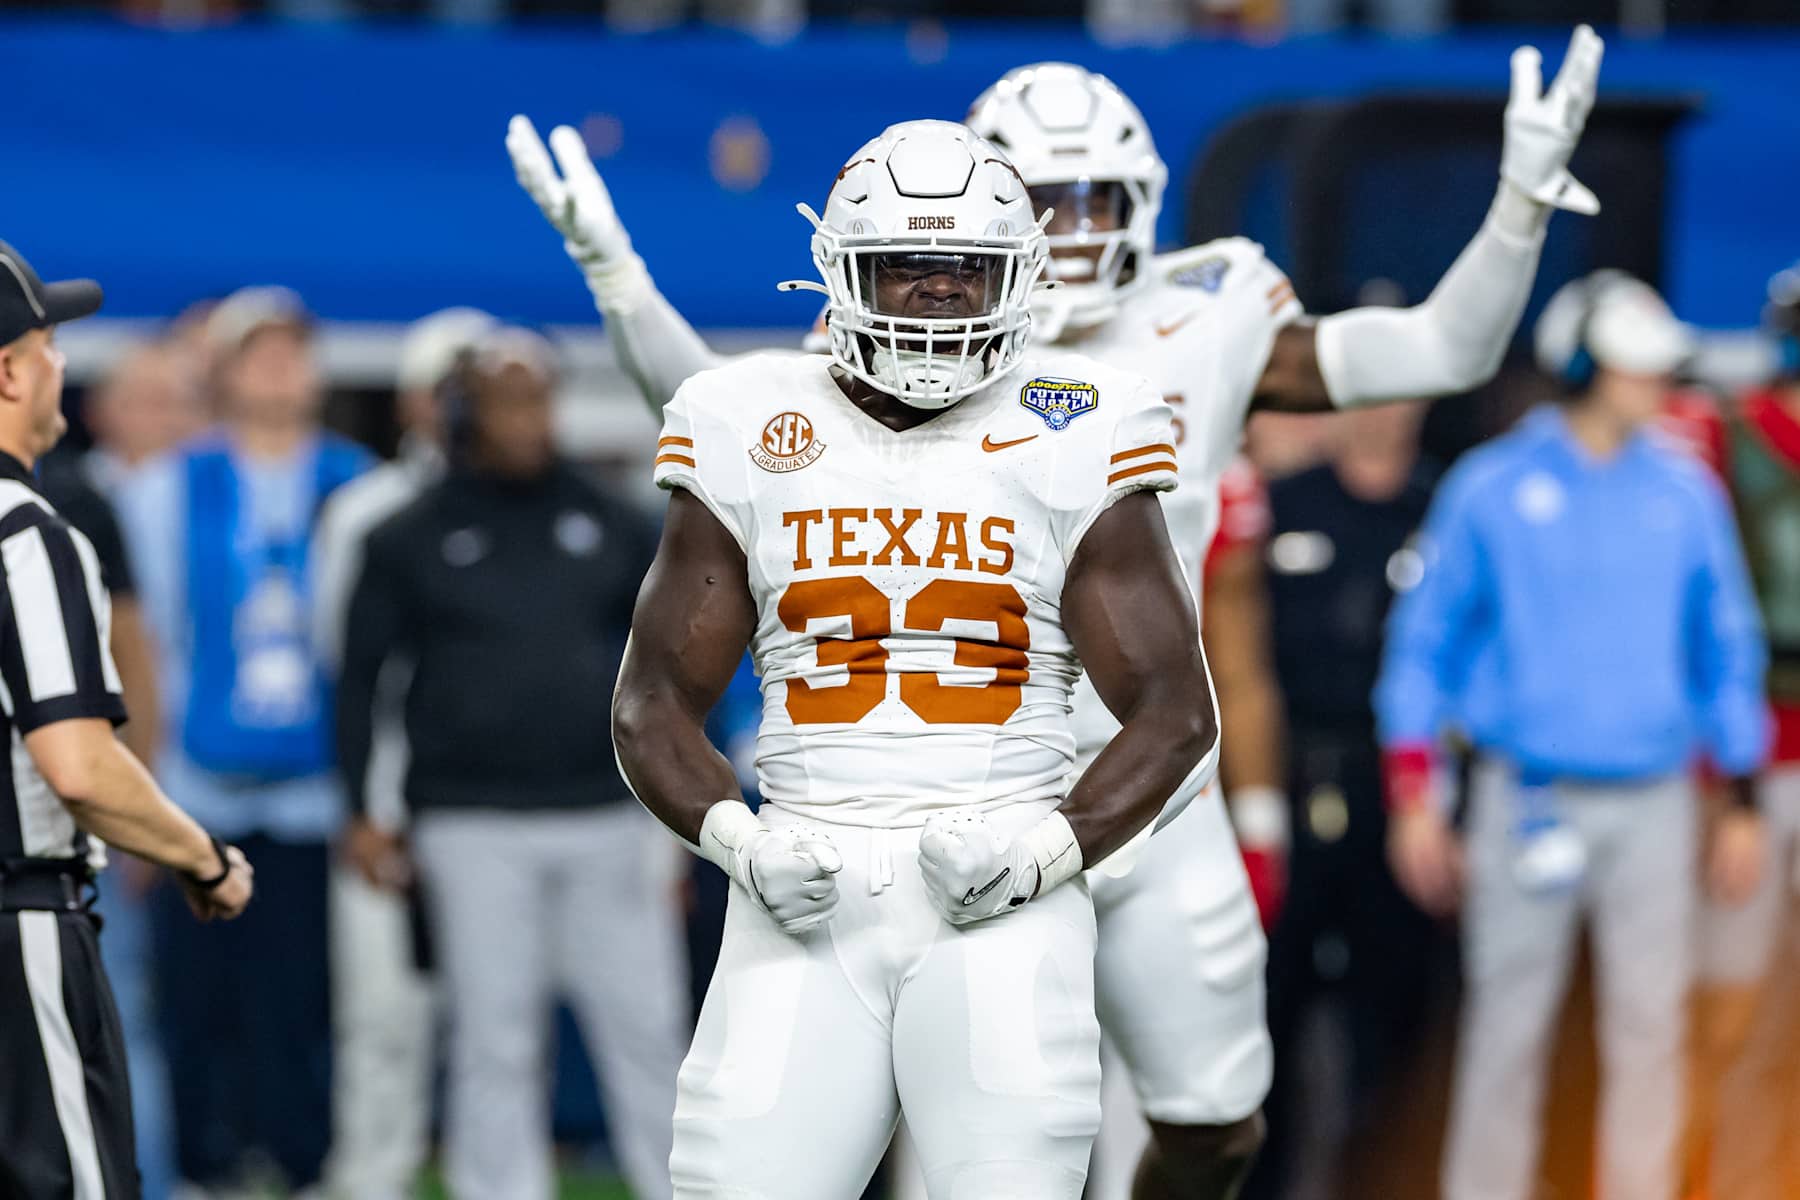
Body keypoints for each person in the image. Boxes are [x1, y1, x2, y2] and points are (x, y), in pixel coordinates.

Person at [512, 25, 1603, 1197]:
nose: (1078, 226)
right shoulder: (860, 349)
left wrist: (1522, 199)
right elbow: (744, 444)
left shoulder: (1189, 328)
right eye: (1050, 195)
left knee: (1210, 1116)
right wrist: (618, 279)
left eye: (1099, 197)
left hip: (1144, 784)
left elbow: (1441, 346)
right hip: (913, 781)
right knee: (911, 1127)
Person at [612, 118, 1222, 1199]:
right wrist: (740, 844)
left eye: (967, 271)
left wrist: (1045, 851)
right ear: (840, 274)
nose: (939, 298)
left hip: (1003, 897)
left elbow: (1177, 710)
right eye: (908, 270)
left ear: (1022, 277)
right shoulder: (743, 415)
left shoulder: (1079, 417)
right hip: (803, 884)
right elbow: (652, 701)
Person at [1375, 270, 1769, 1200]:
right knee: (1506, 1030)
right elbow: (1423, 645)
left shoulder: (1684, 490)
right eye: (1638, 368)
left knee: (1650, 1029)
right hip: (1526, 796)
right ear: (1585, 364)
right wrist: (1414, 794)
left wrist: (1742, 795)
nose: (1658, 385)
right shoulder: (1492, 485)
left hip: (1656, 800)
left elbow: (1727, 645)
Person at [337, 327, 686, 1200]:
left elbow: (675, 669)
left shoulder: (612, 520)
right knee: (496, 1035)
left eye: (539, 398)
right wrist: (361, 810)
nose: (529, 421)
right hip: (470, 818)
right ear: (462, 410)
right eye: (507, 400)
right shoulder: (405, 534)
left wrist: (681, 818)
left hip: (605, 814)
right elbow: (357, 682)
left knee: (647, 1025)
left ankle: (684, 1187)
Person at [0, 237, 253, 1199]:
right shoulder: (26, 533)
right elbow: (77, 764)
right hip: (17, 925)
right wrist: (202, 855)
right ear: (8, 371)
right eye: (49, 344)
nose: (67, 365)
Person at [116, 286, 372, 1195]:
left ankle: (300, 1165)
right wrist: (143, 791)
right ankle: (203, 1168)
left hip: (313, 795)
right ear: (222, 372)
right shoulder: (166, 484)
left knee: (299, 996)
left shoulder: (355, 483)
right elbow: (144, 648)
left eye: (291, 352)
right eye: (257, 354)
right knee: (195, 1000)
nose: (276, 370)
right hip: (198, 788)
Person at [312, 307, 494, 1200]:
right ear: (415, 401)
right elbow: (343, 671)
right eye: (447, 386)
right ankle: (371, 1182)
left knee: (500, 1025)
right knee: (383, 1017)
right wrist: (363, 807)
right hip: (394, 799)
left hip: (510, 806)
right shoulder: (366, 513)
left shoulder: (551, 504)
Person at [1244, 400, 1444, 1200]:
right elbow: (1236, 654)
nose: (1390, 408)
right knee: (1264, 1013)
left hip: (1399, 790)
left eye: (1408, 388)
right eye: (1376, 385)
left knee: (1396, 1020)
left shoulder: (1439, 508)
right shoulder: (1283, 503)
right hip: (1287, 775)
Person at [1683, 260, 1800, 1200]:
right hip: (1752, 756)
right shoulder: (1724, 439)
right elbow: (1701, 617)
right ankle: (1703, 1172)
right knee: (1727, 992)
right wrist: (1726, 776)